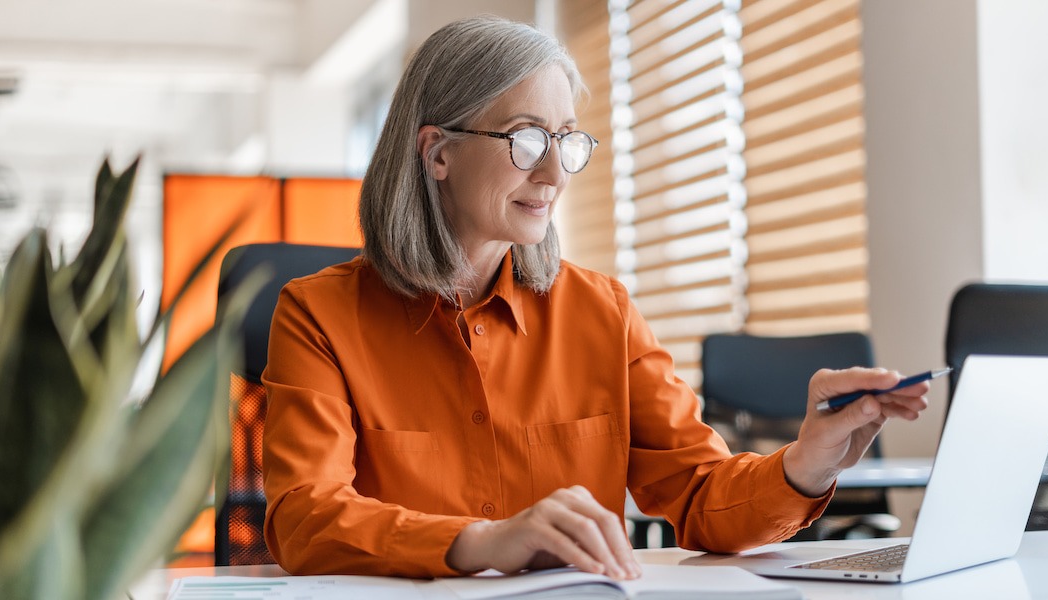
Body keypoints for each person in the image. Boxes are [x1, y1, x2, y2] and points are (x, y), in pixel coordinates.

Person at [261, 15, 928, 580]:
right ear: (438, 152)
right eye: (525, 139)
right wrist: (478, 542)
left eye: (566, 140)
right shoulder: (318, 315)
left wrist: (807, 463)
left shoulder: (601, 312)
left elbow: (700, 495)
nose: (553, 173)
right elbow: (302, 515)